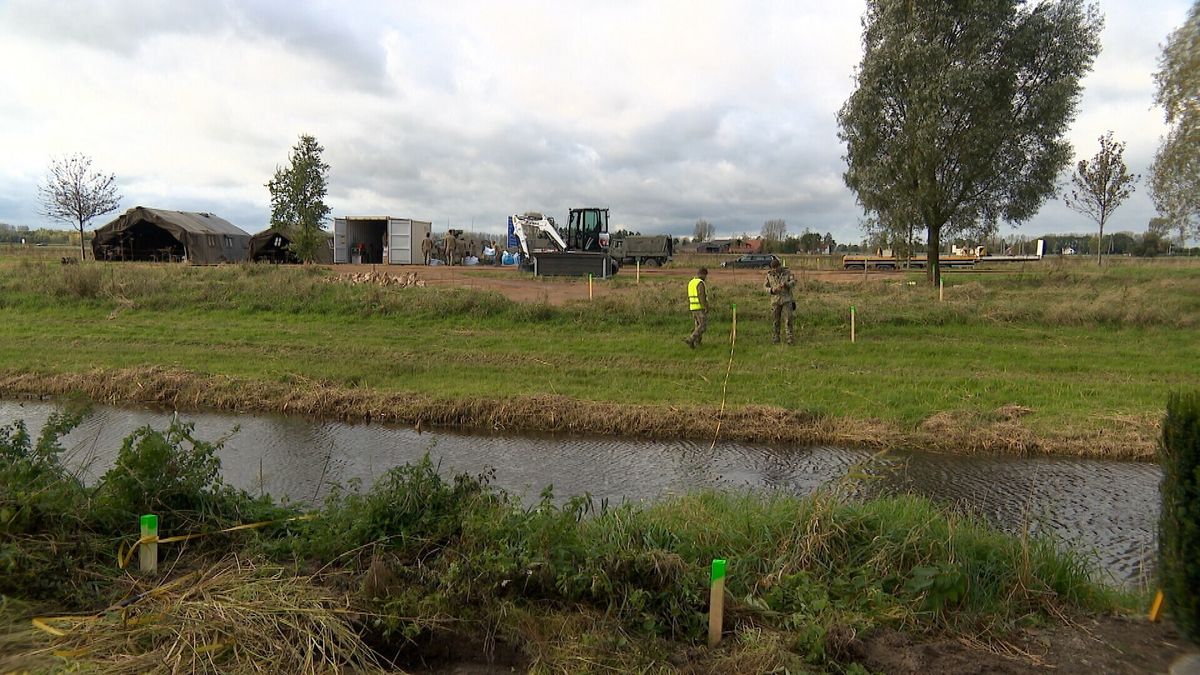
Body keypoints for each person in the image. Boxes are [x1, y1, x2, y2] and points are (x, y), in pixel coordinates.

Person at [764, 258, 796, 344]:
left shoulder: (787, 273)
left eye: (776, 267)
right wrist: (772, 290)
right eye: (773, 268)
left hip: (786, 299)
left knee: (788, 319)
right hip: (775, 301)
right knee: (775, 320)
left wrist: (786, 284)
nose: (775, 269)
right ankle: (776, 338)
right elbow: (765, 287)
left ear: (779, 266)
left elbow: (793, 282)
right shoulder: (769, 275)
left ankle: (790, 338)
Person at [684, 267, 708, 349]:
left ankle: (697, 342)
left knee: (697, 325)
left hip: (692, 307)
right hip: (699, 307)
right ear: (703, 274)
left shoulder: (691, 282)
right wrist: (705, 306)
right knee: (703, 326)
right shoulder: (700, 283)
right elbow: (701, 296)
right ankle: (691, 339)